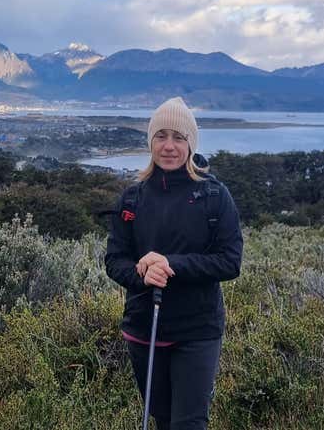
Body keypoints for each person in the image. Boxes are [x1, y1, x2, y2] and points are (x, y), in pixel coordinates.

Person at [105, 96, 243, 430]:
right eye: (161, 136)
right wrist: (142, 273)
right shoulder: (132, 197)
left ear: (191, 144)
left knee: (188, 424)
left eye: (178, 138)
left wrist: (170, 264)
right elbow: (114, 260)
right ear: (150, 141)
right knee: (162, 420)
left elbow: (230, 261)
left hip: (196, 331)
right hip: (143, 328)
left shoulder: (214, 196)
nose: (169, 146)